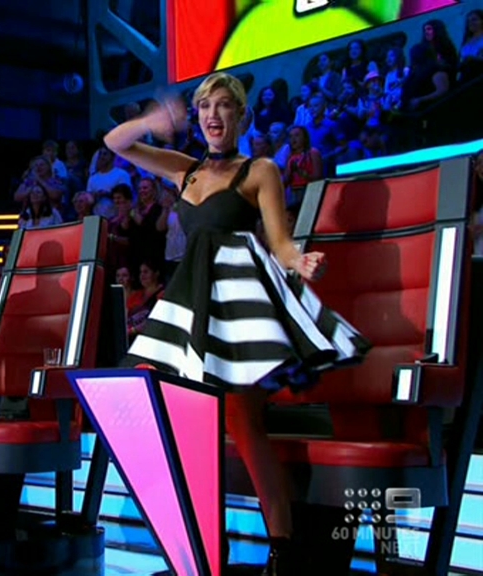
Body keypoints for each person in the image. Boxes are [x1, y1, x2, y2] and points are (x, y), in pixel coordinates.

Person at [104, 72, 371, 575]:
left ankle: (282, 548)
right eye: (205, 105)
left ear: (241, 116)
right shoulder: (183, 170)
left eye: (224, 105)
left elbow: (281, 243)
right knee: (149, 398)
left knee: (244, 427)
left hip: (237, 312)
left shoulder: (259, 171)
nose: (213, 114)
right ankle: (205, 544)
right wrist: (152, 119)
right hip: (190, 305)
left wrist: (300, 262)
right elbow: (115, 141)